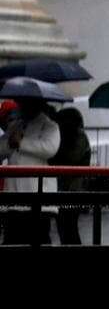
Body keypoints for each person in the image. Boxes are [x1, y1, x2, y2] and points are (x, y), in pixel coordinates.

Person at [0, 97, 61, 244]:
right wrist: (10, 143)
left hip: (38, 195)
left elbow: (50, 148)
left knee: (38, 239)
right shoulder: (15, 126)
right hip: (14, 196)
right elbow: (1, 149)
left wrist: (22, 143)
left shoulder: (50, 126)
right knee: (12, 240)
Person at [49, 107, 91, 245]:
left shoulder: (78, 137)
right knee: (66, 226)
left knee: (69, 226)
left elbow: (71, 158)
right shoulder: (75, 136)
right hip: (69, 187)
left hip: (73, 187)